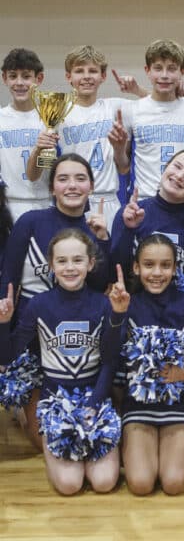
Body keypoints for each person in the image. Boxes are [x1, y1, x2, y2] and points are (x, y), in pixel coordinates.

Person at [0, 229, 129, 495]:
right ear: (51, 265)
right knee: (69, 485)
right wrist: (3, 324)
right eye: (62, 261)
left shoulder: (104, 304)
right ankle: (27, 419)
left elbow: (110, 360)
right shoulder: (38, 305)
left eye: (78, 260)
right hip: (55, 401)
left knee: (104, 482)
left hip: (95, 397)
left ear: (90, 264)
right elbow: (6, 357)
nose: (70, 268)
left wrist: (94, 404)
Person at [0, 153, 111, 448]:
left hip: (75, 336)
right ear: (52, 188)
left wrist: (103, 241)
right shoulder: (30, 222)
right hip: (30, 329)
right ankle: (24, 406)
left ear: (91, 185)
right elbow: (8, 276)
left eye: (80, 178)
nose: (71, 185)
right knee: (41, 440)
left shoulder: (95, 226)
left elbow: (100, 285)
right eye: (63, 179)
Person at [121, 234, 184, 495]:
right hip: (138, 406)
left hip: (178, 404)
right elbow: (111, 357)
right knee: (140, 485)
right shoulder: (128, 305)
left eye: (165, 265)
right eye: (149, 265)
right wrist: (117, 315)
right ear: (136, 267)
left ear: (175, 268)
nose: (157, 273)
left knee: (174, 484)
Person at [26, 46, 140, 229]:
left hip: (108, 200)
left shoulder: (117, 108)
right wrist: (38, 150)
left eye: (93, 71)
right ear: (68, 77)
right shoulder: (56, 114)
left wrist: (138, 90)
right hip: (71, 202)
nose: (86, 76)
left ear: (103, 76)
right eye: (79, 71)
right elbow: (35, 175)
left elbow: (160, 102)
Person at [109, 39, 184, 201]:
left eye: (172, 69)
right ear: (147, 70)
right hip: (144, 200)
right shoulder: (131, 110)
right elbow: (123, 167)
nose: (165, 75)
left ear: (182, 71)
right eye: (158, 68)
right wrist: (118, 149)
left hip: (182, 201)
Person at [111, 147, 184, 287]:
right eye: (177, 166)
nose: (180, 176)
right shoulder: (130, 213)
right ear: (166, 167)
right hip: (137, 304)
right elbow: (114, 273)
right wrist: (128, 230)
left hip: (182, 307)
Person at [0, 48, 50, 222]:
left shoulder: (49, 119)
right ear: (4, 78)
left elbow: (46, 164)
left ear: (39, 78)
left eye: (26, 76)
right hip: (8, 205)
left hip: (45, 203)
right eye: (13, 76)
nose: (19, 82)